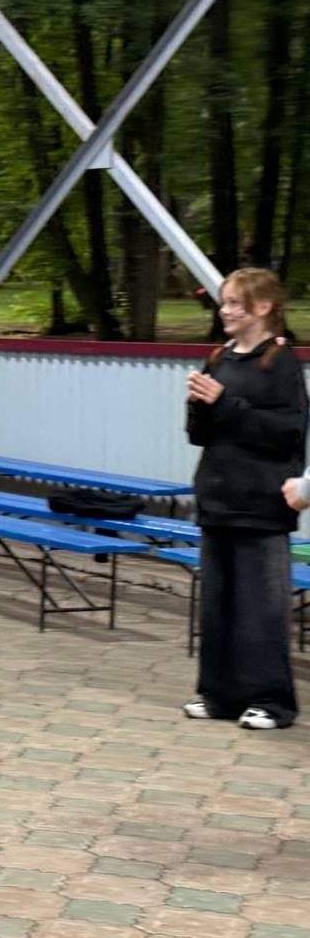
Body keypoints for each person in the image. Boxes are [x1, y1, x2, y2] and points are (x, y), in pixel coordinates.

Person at [185, 267, 305, 730]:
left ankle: (271, 701)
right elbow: (200, 435)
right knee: (216, 606)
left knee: (261, 608)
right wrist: (198, 406)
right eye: (224, 302)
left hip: (261, 505)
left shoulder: (280, 363)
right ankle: (217, 695)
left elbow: (285, 434)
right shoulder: (218, 358)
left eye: (235, 302)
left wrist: (224, 404)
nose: (226, 311)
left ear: (263, 307)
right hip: (217, 497)